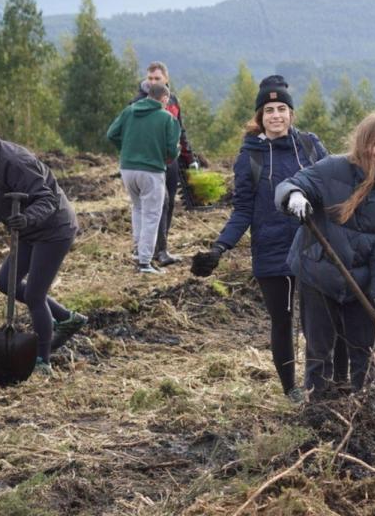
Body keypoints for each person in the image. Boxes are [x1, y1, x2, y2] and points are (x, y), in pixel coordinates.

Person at [191, 75, 328, 402]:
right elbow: (242, 211)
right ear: (260, 117)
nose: (276, 115)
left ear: (291, 113)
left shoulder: (309, 146)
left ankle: (318, 385)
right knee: (282, 322)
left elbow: (331, 187)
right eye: (269, 110)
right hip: (271, 251)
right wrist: (219, 248)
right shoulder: (249, 157)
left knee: (315, 322)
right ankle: (291, 389)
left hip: (312, 247)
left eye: (282, 108)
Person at [275, 112, 375, 399]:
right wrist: (294, 196)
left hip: (360, 280)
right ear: (363, 144)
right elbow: (290, 184)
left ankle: (366, 406)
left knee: (364, 348)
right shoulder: (333, 169)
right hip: (318, 270)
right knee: (319, 349)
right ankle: (317, 406)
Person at [0, 127, 87, 375]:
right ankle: (68, 318)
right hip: (27, 229)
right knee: (5, 282)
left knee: (35, 296)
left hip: (54, 228)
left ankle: (42, 361)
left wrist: (26, 218)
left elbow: (47, 199)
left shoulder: (15, 161)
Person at [132, 61, 201, 267]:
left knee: (169, 203)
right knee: (156, 204)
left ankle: (161, 246)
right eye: (150, 78)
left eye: (157, 79)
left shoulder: (173, 101)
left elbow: (180, 130)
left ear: (166, 80)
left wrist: (189, 159)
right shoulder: (138, 102)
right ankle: (154, 250)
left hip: (171, 160)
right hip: (149, 161)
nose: (152, 82)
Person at [108, 83, 181, 274]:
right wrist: (170, 155)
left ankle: (138, 252)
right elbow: (172, 150)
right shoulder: (167, 118)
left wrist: (126, 149)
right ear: (164, 99)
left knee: (138, 208)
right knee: (151, 215)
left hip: (127, 169)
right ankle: (145, 262)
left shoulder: (129, 111)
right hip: (151, 170)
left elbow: (111, 134)